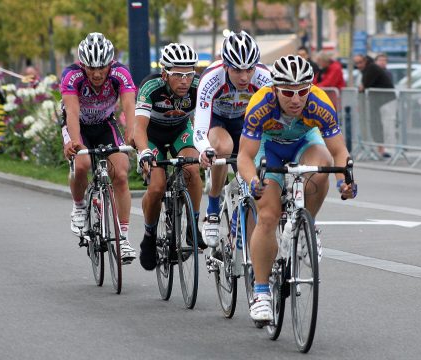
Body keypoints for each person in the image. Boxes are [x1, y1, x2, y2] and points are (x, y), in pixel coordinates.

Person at [237, 55, 357, 321]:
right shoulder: (260, 105)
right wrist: (253, 181)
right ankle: (261, 292)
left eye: (303, 92)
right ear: (275, 89)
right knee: (267, 215)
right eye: (288, 93)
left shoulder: (319, 103)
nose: (296, 99)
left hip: (303, 142)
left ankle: (306, 226)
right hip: (269, 148)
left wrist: (344, 181)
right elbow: (244, 157)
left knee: (321, 164)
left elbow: (339, 151)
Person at [61, 32, 137, 264]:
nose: (96, 73)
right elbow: (72, 112)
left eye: (101, 67)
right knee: (82, 163)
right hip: (78, 125)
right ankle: (79, 206)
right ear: (82, 64)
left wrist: (132, 136)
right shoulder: (72, 76)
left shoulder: (120, 73)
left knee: (121, 173)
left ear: (110, 63)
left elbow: (129, 107)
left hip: (104, 124)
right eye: (91, 68)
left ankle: (122, 238)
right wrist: (74, 142)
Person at [131, 43, 206, 271]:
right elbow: (139, 128)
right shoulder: (150, 87)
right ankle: (149, 235)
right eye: (178, 75)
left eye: (189, 73)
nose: (185, 80)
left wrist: (205, 147)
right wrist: (143, 151)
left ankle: (193, 226)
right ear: (165, 74)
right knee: (156, 186)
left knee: (192, 169)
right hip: (151, 135)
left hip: (179, 132)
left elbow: (202, 123)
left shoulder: (197, 86)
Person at [194, 30, 272, 248]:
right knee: (223, 147)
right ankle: (212, 209)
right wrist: (204, 149)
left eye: (249, 69)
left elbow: (272, 121)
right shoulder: (211, 78)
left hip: (245, 122)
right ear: (225, 65)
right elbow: (199, 128)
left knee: (253, 175)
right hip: (217, 121)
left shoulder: (265, 78)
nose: (244, 77)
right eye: (237, 70)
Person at [354, 54, 394, 158]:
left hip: (386, 101)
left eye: (360, 62)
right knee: (375, 124)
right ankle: (380, 148)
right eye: (356, 63)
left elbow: (364, 86)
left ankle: (386, 149)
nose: (358, 65)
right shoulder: (367, 70)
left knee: (385, 125)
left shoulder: (371, 68)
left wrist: (361, 88)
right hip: (377, 101)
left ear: (366, 61)